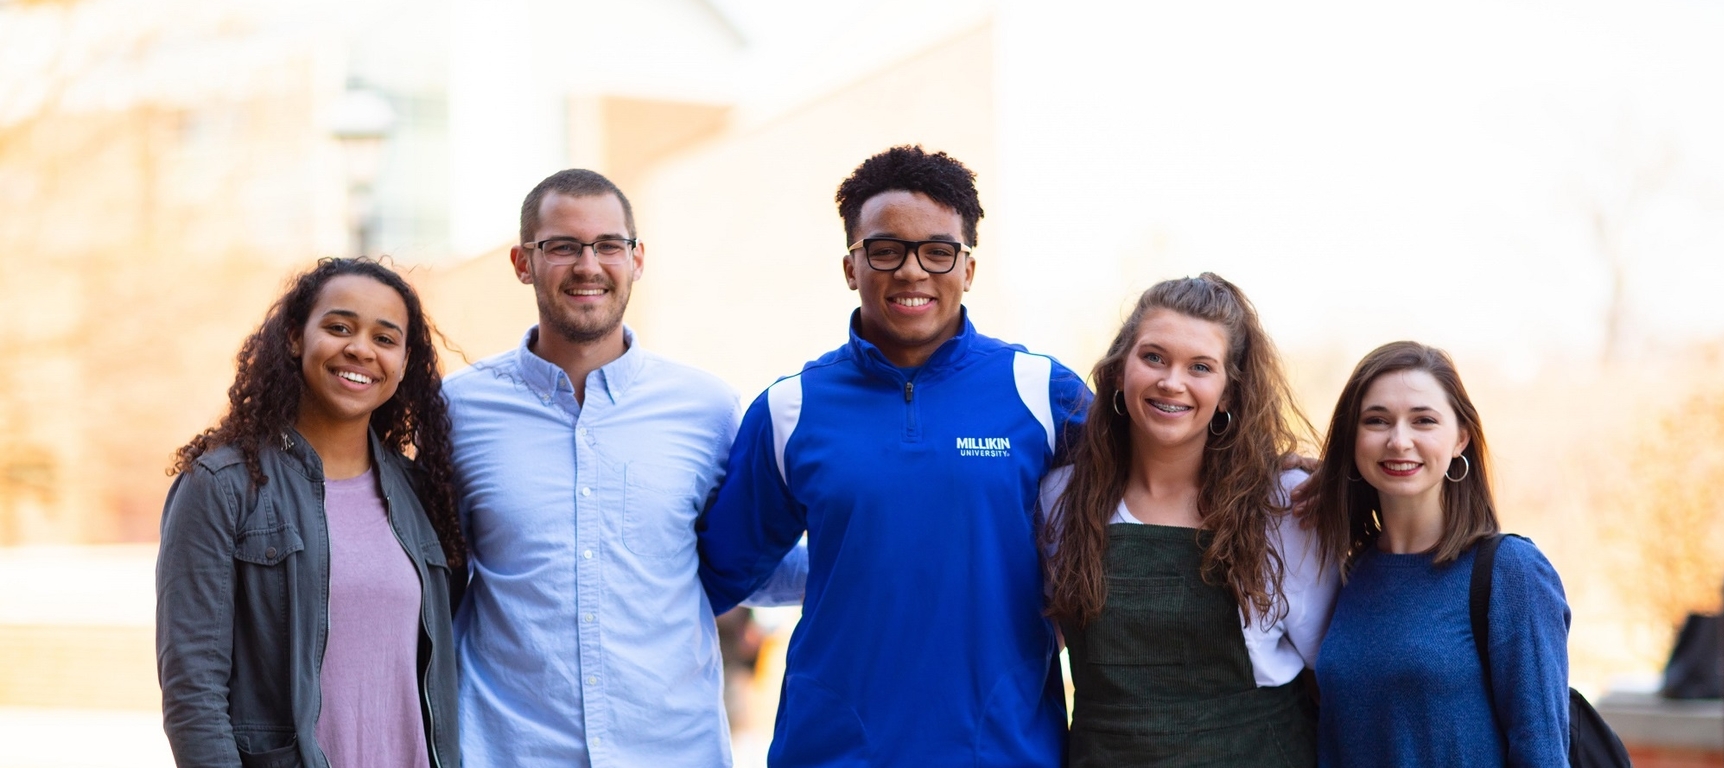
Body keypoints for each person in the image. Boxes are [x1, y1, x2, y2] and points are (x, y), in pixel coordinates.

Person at [697, 145, 1090, 766]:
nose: (913, 271)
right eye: (886, 249)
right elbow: (718, 573)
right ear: (852, 266)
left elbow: (1145, 506)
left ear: (968, 268)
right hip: (832, 751)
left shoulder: (1043, 393)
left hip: (1005, 751)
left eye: (938, 251)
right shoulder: (791, 408)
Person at [446, 168, 805, 767]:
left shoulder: (708, 408)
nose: (589, 265)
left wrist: (872, 554)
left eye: (609, 245)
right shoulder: (456, 409)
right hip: (509, 751)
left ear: (637, 259)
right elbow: (428, 578)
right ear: (521, 261)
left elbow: (742, 563)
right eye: (562, 246)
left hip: (672, 750)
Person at [157, 257, 464, 768]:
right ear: (296, 338)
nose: (361, 349)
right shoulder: (223, 487)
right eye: (339, 327)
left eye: (385, 339)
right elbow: (193, 693)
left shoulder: (420, 495)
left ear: (404, 363)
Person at [1040, 273, 1336, 766]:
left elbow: (1332, 678)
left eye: (1200, 367)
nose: (1171, 382)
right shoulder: (1061, 499)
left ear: (1228, 393)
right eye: (1153, 357)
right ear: (1119, 370)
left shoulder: (1283, 507)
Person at [1305, 341, 1570, 767]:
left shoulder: (1510, 571)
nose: (1399, 440)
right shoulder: (1349, 571)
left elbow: (1542, 752)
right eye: (1376, 421)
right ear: (1354, 440)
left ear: (1460, 438)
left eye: (1423, 420)